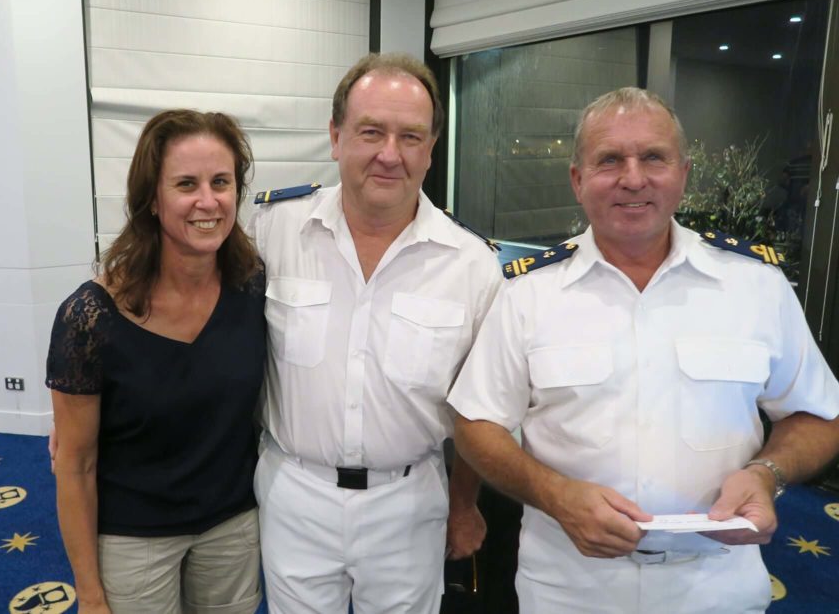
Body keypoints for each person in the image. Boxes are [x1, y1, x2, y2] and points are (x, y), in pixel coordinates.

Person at [448, 87, 839, 613]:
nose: (633, 178)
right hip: (571, 584)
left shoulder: (756, 287)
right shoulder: (526, 294)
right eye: (610, 160)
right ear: (577, 179)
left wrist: (767, 474)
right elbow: (476, 424)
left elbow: (819, 415)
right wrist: (555, 497)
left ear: (683, 172)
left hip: (717, 583)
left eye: (653, 157)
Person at [249, 52, 502, 613]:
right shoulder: (272, 230)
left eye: (411, 137)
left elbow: (479, 410)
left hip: (407, 504)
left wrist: (464, 505)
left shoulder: (472, 266)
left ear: (431, 150)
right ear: (336, 136)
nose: (390, 154)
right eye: (371, 132)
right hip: (296, 494)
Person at [46, 110, 265, 614]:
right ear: (151, 197)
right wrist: (90, 595)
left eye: (221, 182)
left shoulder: (253, 287)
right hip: (133, 537)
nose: (207, 201)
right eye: (186, 184)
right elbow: (75, 466)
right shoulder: (90, 317)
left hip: (232, 525)